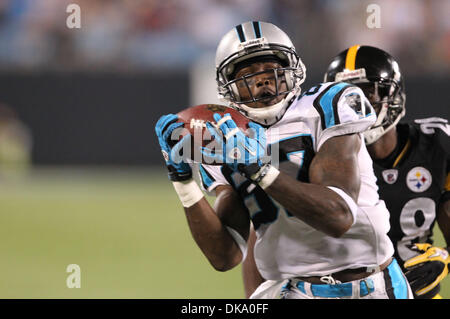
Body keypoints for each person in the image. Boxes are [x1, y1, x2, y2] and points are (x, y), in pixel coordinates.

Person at [155, 22, 412, 299]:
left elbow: (338, 217)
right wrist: (182, 181)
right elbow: (225, 256)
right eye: (247, 73)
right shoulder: (224, 137)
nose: (262, 79)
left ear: (293, 69)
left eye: (270, 69)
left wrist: (260, 169)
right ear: (226, 86)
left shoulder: (327, 106)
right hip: (294, 289)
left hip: (369, 285)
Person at [323, 45, 450, 299]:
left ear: (394, 94)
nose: (359, 103)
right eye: (349, 95)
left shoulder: (437, 143)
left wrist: (444, 258)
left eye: (369, 91)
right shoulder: (321, 156)